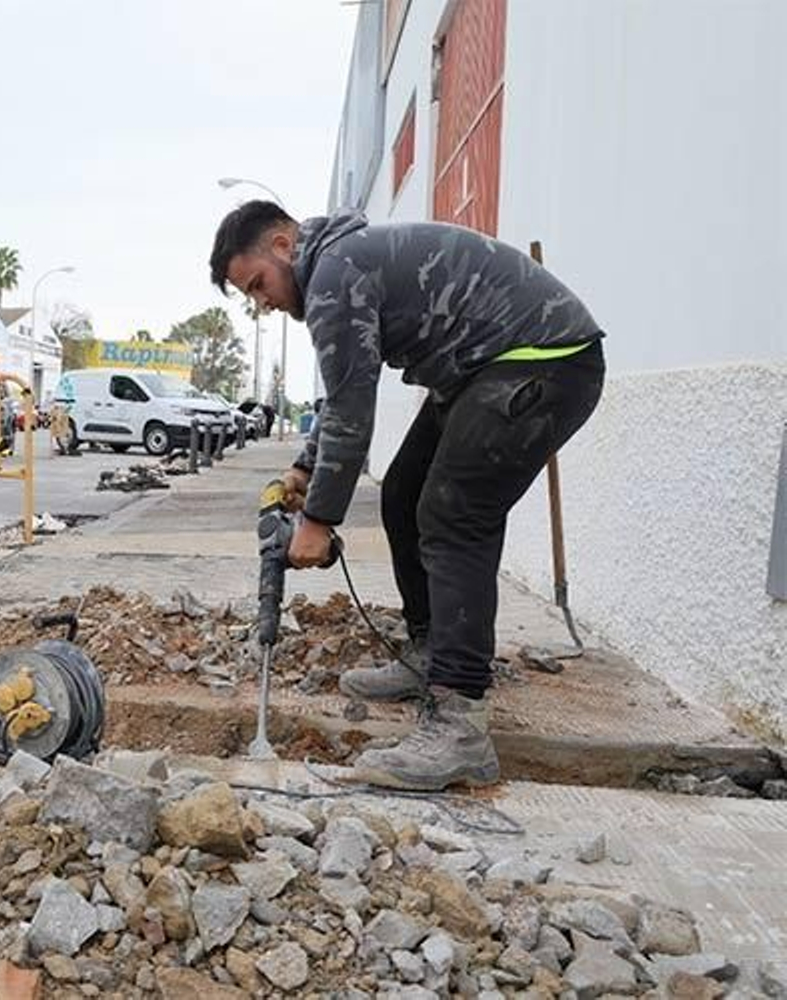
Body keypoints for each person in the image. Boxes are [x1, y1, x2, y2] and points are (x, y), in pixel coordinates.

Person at [209, 201, 605, 791]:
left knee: (453, 515)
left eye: (258, 285)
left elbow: (352, 411)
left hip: (543, 360)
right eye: (251, 296)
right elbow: (347, 386)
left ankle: (461, 725)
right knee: (402, 494)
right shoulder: (339, 265)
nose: (262, 303)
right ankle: (429, 653)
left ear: (284, 246)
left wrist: (317, 521)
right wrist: (304, 468)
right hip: (480, 370)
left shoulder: (333, 274)